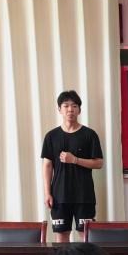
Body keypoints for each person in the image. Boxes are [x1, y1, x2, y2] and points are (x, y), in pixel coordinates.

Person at [41, 90, 104, 243]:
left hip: (84, 196)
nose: (70, 109)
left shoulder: (89, 134)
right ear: (59, 109)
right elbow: (47, 166)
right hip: (59, 196)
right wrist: (47, 193)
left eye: (74, 106)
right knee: (61, 236)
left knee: (86, 237)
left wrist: (75, 160)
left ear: (79, 110)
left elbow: (99, 163)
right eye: (66, 106)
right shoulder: (51, 136)